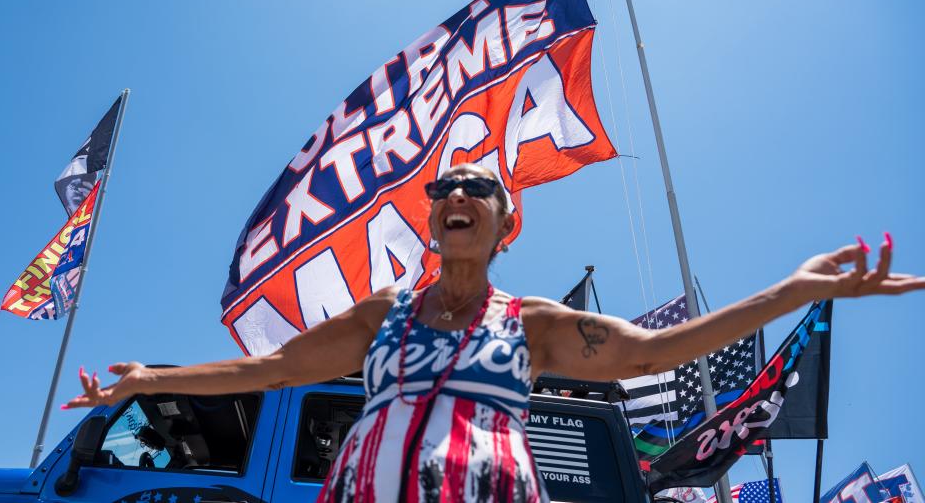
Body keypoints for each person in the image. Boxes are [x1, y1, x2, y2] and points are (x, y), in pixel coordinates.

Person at [65, 163, 925, 502]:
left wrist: (793, 289)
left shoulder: (537, 325)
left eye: (478, 188)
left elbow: (662, 349)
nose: (457, 196)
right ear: (432, 220)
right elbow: (271, 368)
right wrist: (150, 380)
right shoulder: (381, 317)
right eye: (444, 189)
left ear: (505, 225)